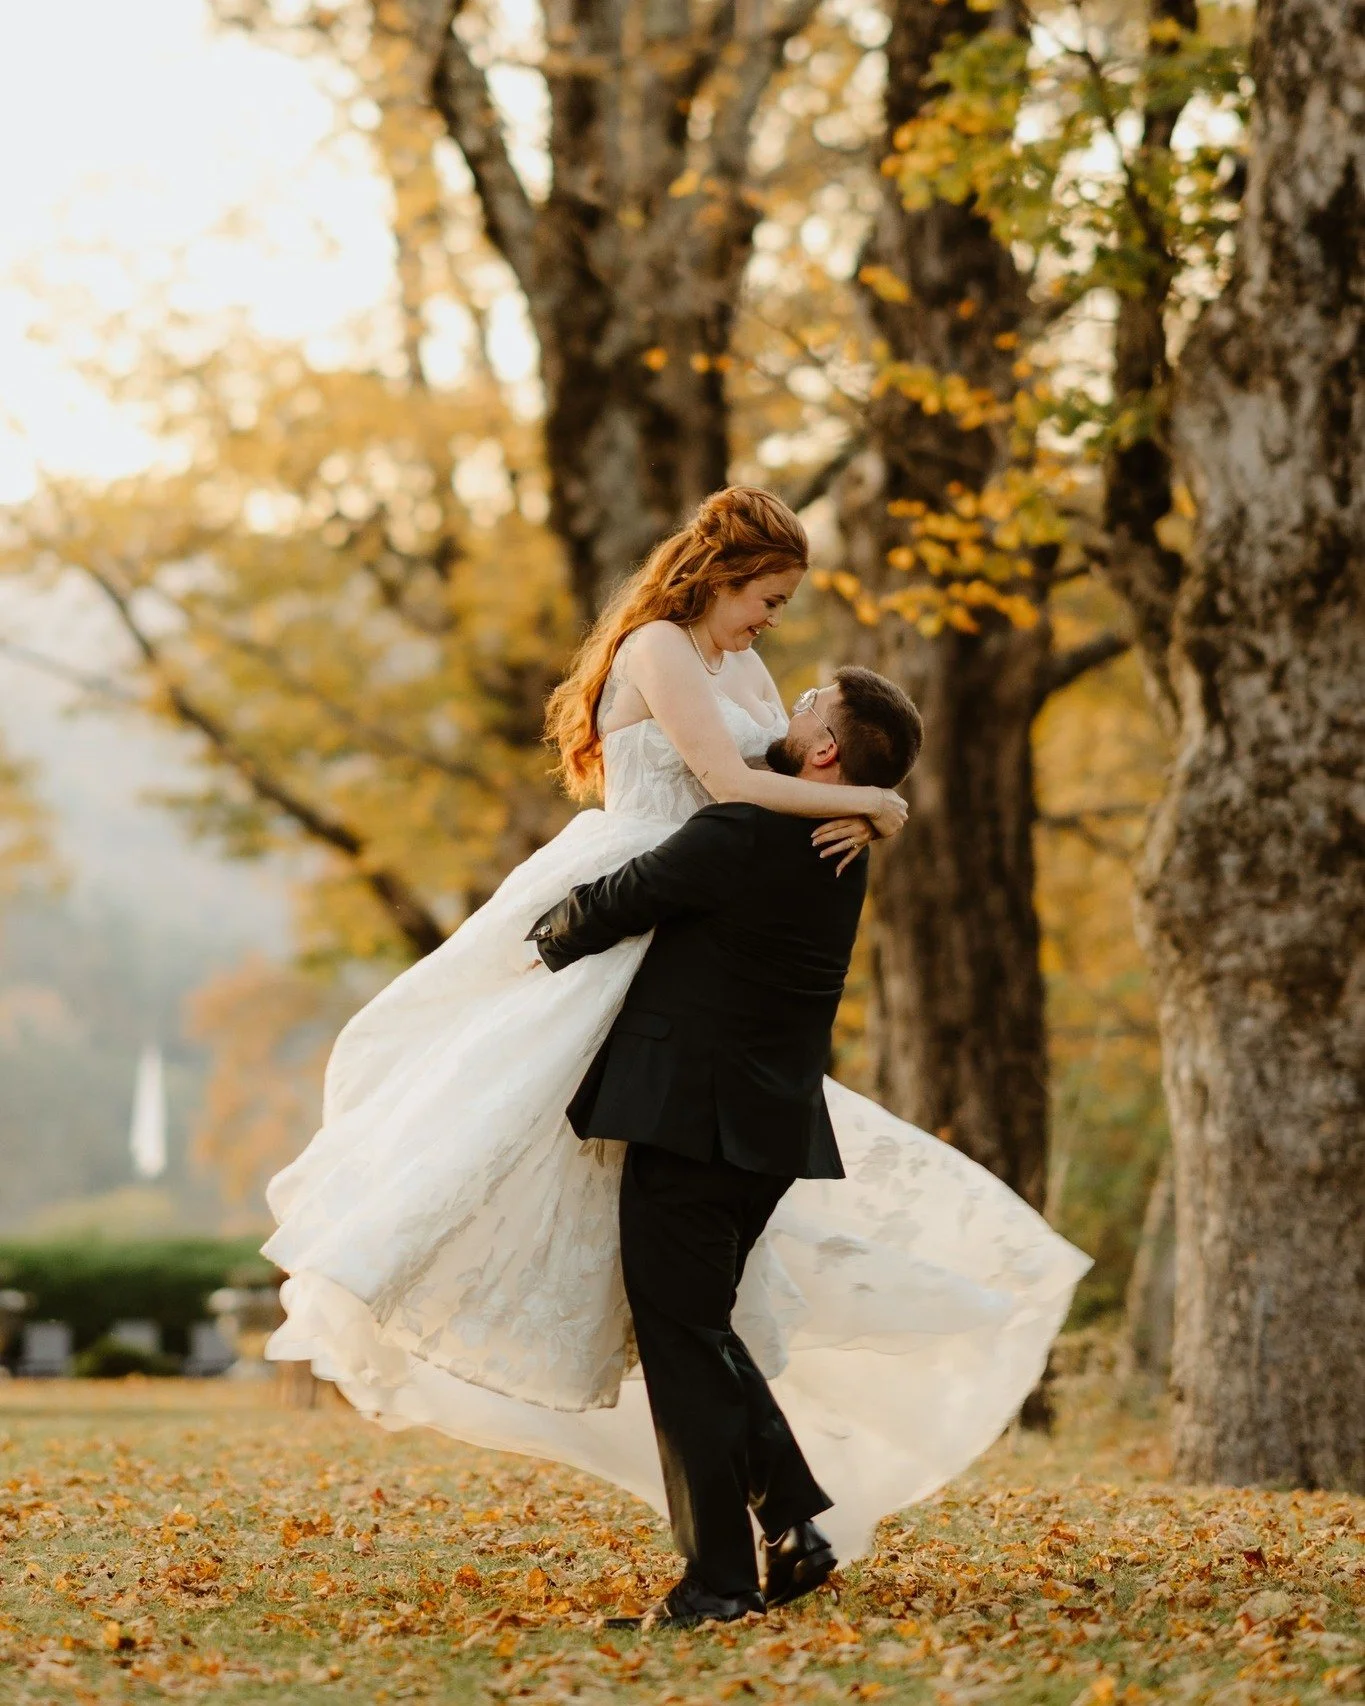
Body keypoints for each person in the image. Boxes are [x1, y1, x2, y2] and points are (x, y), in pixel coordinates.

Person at [263, 486, 1089, 1573]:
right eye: (766, 596)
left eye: (783, 604)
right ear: (720, 572)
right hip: (643, 883)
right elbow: (730, 784)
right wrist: (876, 805)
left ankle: (754, 1541)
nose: (771, 625)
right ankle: (772, 1515)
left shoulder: (750, 683)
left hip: (699, 932)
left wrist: (863, 801)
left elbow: (779, 779)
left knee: (684, 1301)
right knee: (514, 1136)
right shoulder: (657, 643)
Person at [527, 669, 921, 1626]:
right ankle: (792, 1523)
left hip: (691, 1120)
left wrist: (532, 935)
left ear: (823, 750)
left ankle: (718, 1584)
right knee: (699, 1328)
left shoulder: (744, 830)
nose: (790, 710)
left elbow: (617, 901)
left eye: (806, 711)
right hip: (767, 1128)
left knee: (682, 1341)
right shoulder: (839, 845)